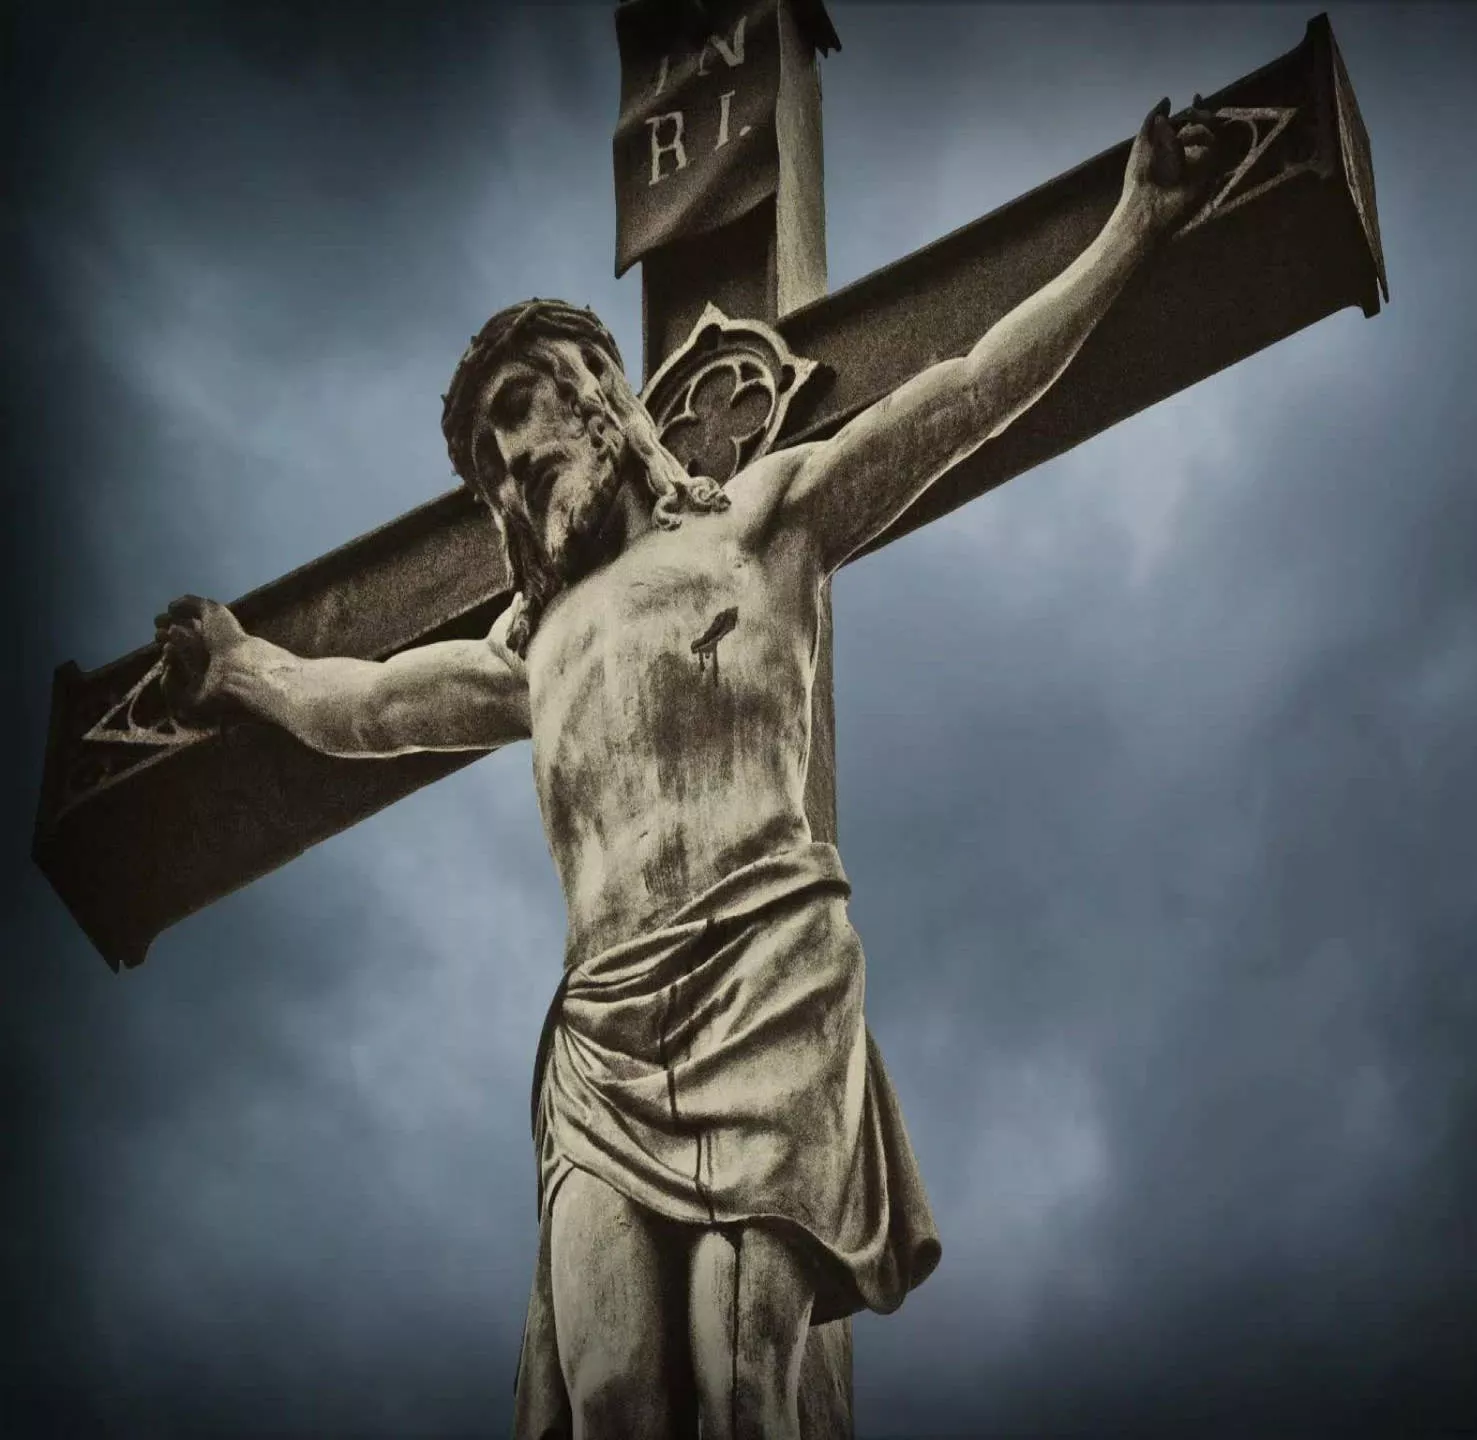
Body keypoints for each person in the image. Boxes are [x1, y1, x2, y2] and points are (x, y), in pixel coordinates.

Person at [159, 98, 1217, 1440]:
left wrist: (1132, 230)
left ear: (597, 393)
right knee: (609, 1395)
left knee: (738, 1379)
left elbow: (967, 392)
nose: (508, 465)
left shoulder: (762, 526)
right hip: (603, 1035)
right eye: (485, 460)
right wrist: (243, 667)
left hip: (765, 975)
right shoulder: (533, 651)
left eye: (517, 415)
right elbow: (363, 707)